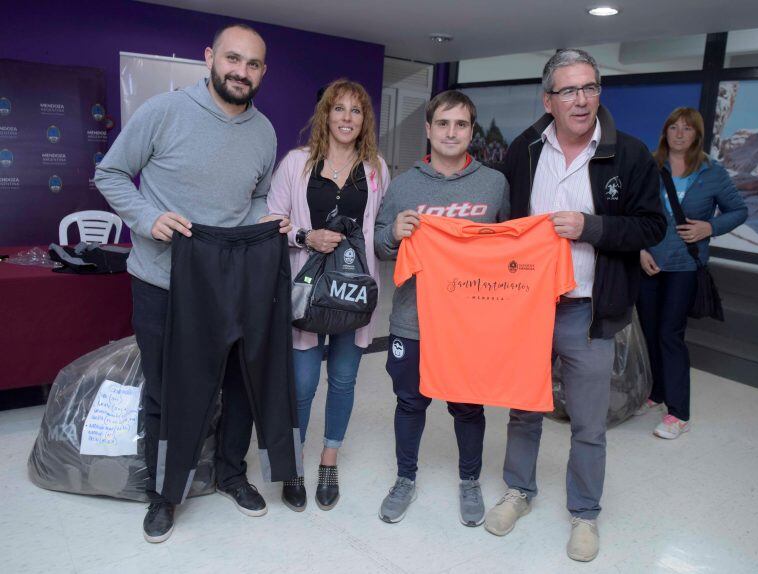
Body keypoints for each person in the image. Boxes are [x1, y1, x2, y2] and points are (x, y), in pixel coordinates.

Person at [95, 23, 289, 543]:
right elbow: (110, 174)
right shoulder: (164, 112)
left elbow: (252, 197)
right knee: (167, 394)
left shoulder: (265, 132)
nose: (240, 71)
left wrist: (264, 222)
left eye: (252, 64)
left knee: (239, 388)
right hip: (163, 281)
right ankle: (164, 492)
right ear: (209, 58)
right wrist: (146, 218)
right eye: (232, 59)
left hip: (233, 282)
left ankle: (230, 473)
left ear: (262, 72)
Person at [485, 49, 666, 561]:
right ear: (549, 99)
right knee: (524, 410)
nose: (582, 99)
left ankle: (585, 514)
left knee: (589, 423)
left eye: (590, 87)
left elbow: (653, 226)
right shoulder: (523, 150)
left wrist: (593, 227)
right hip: (529, 309)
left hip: (589, 311)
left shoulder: (628, 156)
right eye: (569, 90)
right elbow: (503, 223)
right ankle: (519, 491)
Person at [374, 90, 510, 527]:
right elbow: (378, 244)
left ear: (472, 130)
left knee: (468, 407)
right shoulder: (404, 186)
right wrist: (393, 233)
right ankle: (405, 479)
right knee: (410, 403)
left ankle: (469, 482)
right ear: (429, 130)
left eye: (462, 124)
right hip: (413, 320)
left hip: (470, 325)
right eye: (443, 124)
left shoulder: (494, 184)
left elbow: (508, 247)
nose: (452, 133)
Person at [267, 79, 390, 512]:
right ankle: (294, 462)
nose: (346, 118)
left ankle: (329, 459)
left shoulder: (375, 168)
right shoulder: (297, 164)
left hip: (354, 292)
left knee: (343, 380)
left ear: (364, 120)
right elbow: (273, 220)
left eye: (355, 111)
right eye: (338, 109)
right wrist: (306, 235)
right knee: (302, 384)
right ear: (325, 113)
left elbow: (381, 229)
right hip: (307, 290)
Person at [635, 107, 747, 439]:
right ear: (665, 132)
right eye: (674, 127)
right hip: (649, 264)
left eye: (687, 128)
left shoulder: (712, 172)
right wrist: (639, 250)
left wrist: (710, 226)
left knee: (671, 334)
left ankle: (679, 413)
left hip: (684, 265)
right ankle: (657, 393)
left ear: (697, 135)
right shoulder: (649, 168)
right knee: (651, 332)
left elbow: (739, 210)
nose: (680, 133)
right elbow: (633, 213)